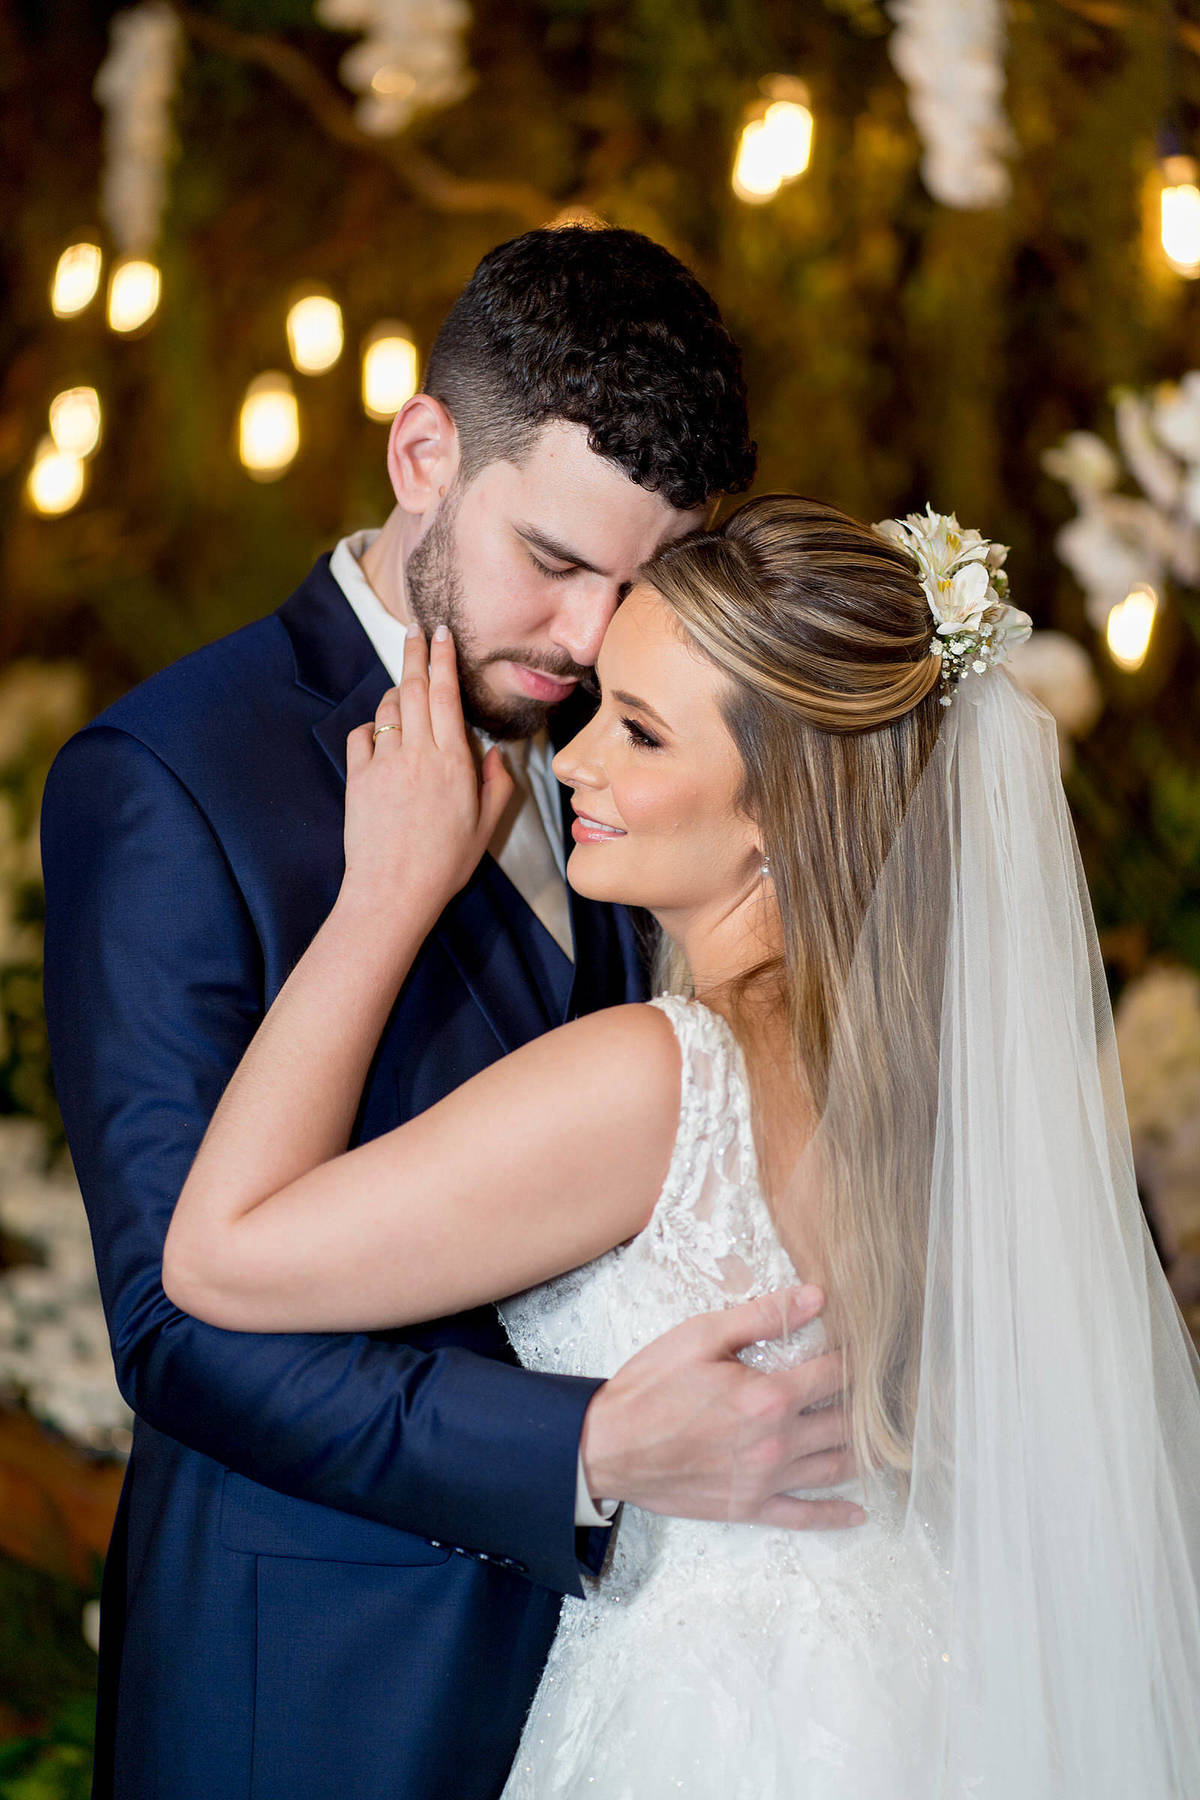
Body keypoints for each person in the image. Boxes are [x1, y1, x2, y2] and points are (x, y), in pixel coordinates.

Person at [164, 494, 1200, 1797]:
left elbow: (215, 1258)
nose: (574, 761)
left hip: (723, 1722)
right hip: (920, 1683)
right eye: (600, 707)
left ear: (779, 808)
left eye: (640, 732)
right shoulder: (922, 1077)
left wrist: (382, 894)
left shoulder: (659, 1077)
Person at [40, 229, 861, 1800]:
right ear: (425, 452)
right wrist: (585, 1451)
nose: (588, 636)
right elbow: (172, 1327)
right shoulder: (172, 780)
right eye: (552, 559)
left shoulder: (644, 738)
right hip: (325, 1680)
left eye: (641, 581)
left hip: (639, 1674)